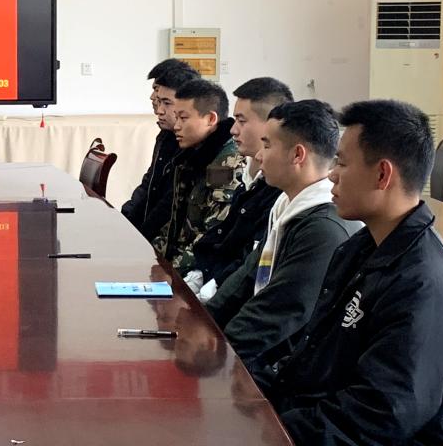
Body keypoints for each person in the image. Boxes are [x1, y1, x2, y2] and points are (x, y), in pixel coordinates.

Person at [265, 100, 443, 444]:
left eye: (342, 163)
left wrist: (273, 431)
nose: (332, 174)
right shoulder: (361, 246)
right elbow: (314, 357)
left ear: (382, 175)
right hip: (309, 419)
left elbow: (379, 417)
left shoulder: (423, 286)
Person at [205, 100, 361, 377]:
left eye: (267, 145)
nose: (259, 156)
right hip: (261, 356)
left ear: (297, 154)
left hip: (287, 369)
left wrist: (218, 351)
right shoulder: (286, 205)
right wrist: (202, 323)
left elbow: (278, 313)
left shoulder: (324, 229)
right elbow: (246, 277)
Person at [190, 77, 294, 296]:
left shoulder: (280, 188)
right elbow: (222, 238)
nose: (233, 130)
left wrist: (212, 290)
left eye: (242, 121)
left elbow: (249, 261)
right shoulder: (250, 176)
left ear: (270, 123)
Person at [152, 79, 244, 273]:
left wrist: (170, 271)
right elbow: (173, 225)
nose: (176, 126)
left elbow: (212, 235)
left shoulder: (224, 165)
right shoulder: (191, 154)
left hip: (194, 271)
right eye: (176, 118)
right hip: (176, 262)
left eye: (183, 118)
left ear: (211, 119)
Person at [121, 60, 201, 241]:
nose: (153, 98)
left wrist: (139, 237)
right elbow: (149, 185)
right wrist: (126, 219)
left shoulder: (191, 144)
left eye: (158, 92)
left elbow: (169, 205)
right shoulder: (166, 135)